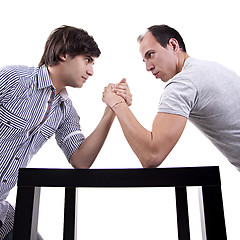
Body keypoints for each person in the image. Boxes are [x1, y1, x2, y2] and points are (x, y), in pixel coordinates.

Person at [0, 25, 132, 239]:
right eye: (87, 60)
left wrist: (112, 109)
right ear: (63, 54)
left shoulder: (64, 110)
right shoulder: (13, 79)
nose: (91, 71)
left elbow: (81, 160)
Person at [102, 24, 240, 172]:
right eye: (144, 61)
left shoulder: (183, 84)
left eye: (150, 54)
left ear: (173, 45)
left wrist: (117, 103)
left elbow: (151, 155)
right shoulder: (210, 68)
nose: (148, 67)